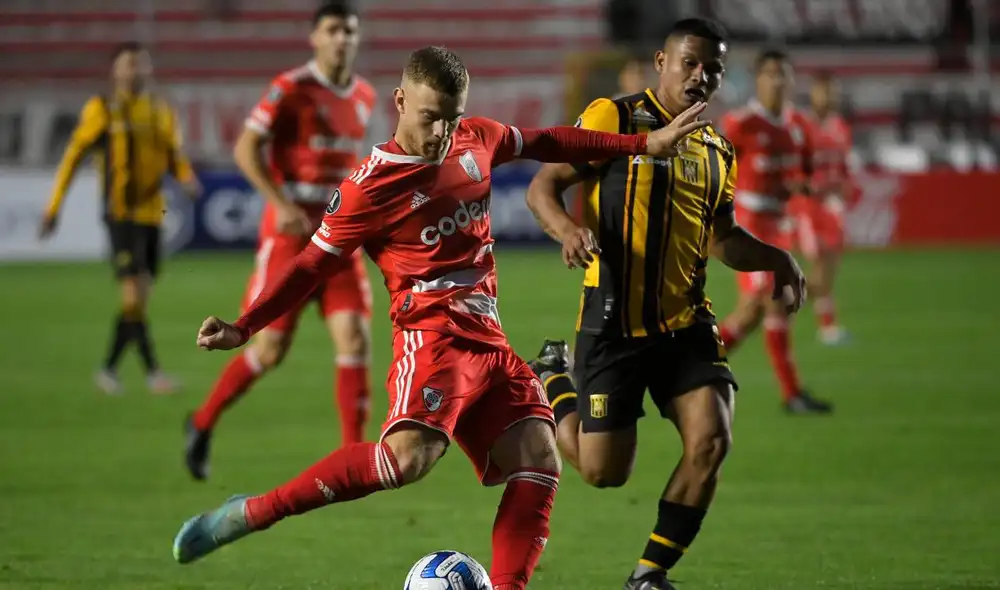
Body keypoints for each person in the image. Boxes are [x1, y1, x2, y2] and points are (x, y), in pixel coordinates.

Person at [170, 45, 709, 590]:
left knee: (540, 459)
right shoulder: (368, 187)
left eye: (451, 119)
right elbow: (310, 264)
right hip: (431, 339)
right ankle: (256, 512)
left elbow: (546, 140)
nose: (442, 133)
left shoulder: (475, 138)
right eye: (430, 118)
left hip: (489, 341)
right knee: (407, 461)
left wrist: (644, 143)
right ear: (400, 102)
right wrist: (245, 325)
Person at [524, 20, 807, 589]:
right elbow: (543, 187)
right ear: (662, 61)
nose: (701, 77)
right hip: (614, 325)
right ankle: (554, 377)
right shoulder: (615, 117)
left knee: (712, 441)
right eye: (690, 63)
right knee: (605, 473)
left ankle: (649, 575)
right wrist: (567, 231)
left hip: (685, 323)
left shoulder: (717, 149)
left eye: (714, 69)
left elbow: (721, 237)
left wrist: (776, 257)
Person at [183, 1, 378, 481]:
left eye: (349, 31)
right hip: (290, 238)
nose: (342, 39)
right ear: (314, 37)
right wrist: (281, 202)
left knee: (354, 337)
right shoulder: (291, 88)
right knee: (269, 350)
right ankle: (202, 422)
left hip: (338, 236)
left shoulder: (366, 96)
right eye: (333, 30)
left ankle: (352, 460)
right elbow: (245, 148)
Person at [39, 42, 201, 396]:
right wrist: (54, 207)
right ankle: (153, 373)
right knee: (132, 297)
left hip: (152, 216)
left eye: (141, 65)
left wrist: (186, 176)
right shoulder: (102, 110)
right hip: (120, 214)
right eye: (129, 65)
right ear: (115, 71)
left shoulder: (160, 110)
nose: (136, 71)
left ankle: (110, 369)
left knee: (139, 300)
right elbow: (72, 157)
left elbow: (174, 155)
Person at [716, 49, 833, 414]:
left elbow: (805, 172)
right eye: (769, 73)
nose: (777, 80)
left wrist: (804, 187)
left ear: (792, 80)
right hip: (747, 221)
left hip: (779, 225)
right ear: (757, 80)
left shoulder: (799, 125)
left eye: (783, 73)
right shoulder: (741, 123)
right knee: (756, 304)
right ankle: (688, 370)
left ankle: (792, 393)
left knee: (773, 308)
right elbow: (716, 170)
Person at [788, 71, 853, 345]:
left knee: (829, 269)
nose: (827, 96)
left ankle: (819, 322)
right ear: (813, 94)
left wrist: (844, 188)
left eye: (831, 91)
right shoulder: (802, 126)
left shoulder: (840, 127)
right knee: (818, 268)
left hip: (832, 207)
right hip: (809, 207)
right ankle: (823, 325)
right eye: (822, 91)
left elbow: (843, 166)